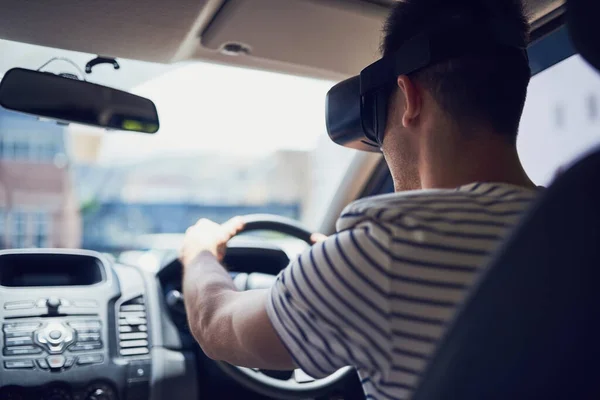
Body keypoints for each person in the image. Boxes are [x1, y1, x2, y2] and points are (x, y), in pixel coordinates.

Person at [179, 0, 539, 398]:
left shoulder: (386, 250)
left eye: (379, 123)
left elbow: (218, 326)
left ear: (410, 97)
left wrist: (200, 255)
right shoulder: (577, 223)